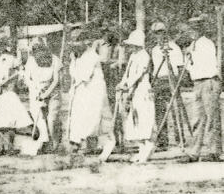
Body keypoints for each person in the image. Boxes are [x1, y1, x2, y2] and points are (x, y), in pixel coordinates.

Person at [66, 33, 113, 161]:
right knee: (79, 120)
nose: (74, 45)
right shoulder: (80, 57)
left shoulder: (92, 56)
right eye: (72, 42)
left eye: (76, 42)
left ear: (84, 42)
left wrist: (74, 64)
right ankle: (77, 145)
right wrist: (73, 61)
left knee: (95, 121)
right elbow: (74, 75)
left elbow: (83, 76)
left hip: (94, 94)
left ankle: (108, 144)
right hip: (84, 93)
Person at [183, 16, 222, 162]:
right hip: (197, 83)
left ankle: (214, 151)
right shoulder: (192, 46)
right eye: (191, 28)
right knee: (198, 118)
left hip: (209, 81)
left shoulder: (206, 44)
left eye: (196, 28)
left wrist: (191, 56)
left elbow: (207, 65)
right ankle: (194, 152)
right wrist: (187, 57)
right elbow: (189, 67)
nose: (193, 31)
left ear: (201, 29)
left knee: (211, 118)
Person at [118, 29, 155, 163]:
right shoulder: (133, 56)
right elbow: (127, 73)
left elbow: (138, 74)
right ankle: (141, 149)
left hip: (142, 90)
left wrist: (127, 84)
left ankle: (148, 146)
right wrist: (122, 83)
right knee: (134, 119)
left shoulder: (144, 56)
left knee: (143, 118)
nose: (130, 47)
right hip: (133, 90)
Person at [148, 22, 186, 152]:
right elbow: (153, 68)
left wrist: (178, 83)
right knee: (159, 112)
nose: (159, 36)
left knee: (176, 110)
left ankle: (180, 139)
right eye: (156, 33)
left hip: (172, 80)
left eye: (161, 32)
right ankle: (162, 141)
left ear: (165, 33)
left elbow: (180, 68)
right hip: (159, 80)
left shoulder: (174, 48)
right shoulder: (154, 50)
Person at [23, 38, 59, 147]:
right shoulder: (31, 61)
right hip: (35, 91)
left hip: (52, 92)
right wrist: (36, 89)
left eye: (40, 48)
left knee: (52, 118)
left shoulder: (55, 59)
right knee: (38, 116)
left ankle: (55, 143)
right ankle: (44, 140)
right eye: (35, 49)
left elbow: (56, 80)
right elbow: (27, 79)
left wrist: (46, 93)